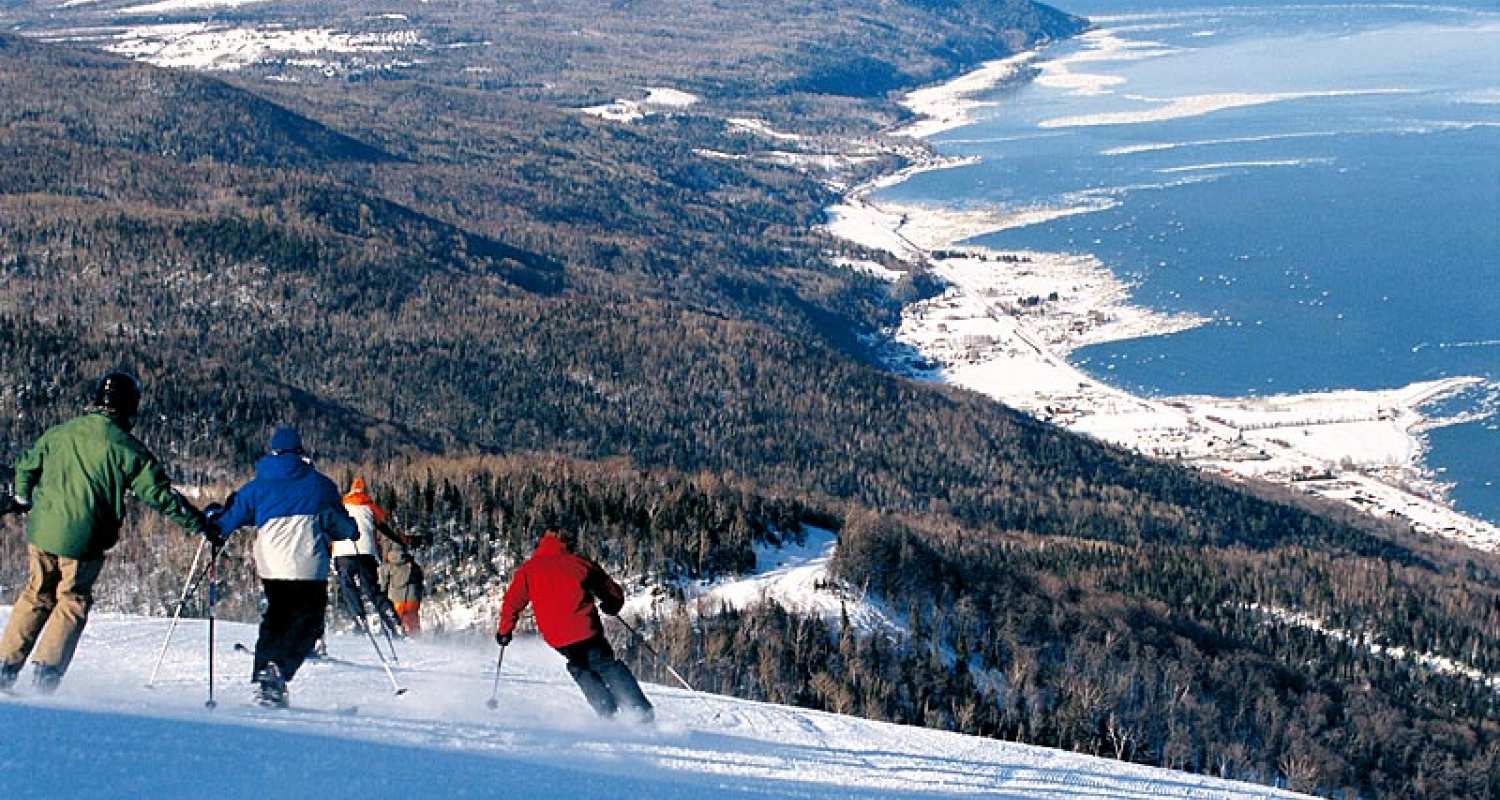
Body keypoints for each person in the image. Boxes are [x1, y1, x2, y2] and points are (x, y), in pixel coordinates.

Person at [0, 372, 214, 694]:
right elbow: (160, 495)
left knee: (36, 593)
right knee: (72, 600)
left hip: (42, 531)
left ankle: (5, 666)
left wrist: (22, 498)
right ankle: (46, 674)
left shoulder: (61, 433)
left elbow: (26, 467)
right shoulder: (127, 449)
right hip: (83, 538)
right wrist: (200, 524)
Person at [211, 427, 355, 708]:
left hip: (271, 565)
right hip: (309, 566)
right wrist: (349, 530)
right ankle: (279, 671)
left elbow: (227, 522)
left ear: (272, 452)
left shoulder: (256, 487)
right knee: (310, 624)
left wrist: (214, 518)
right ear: (301, 452)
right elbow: (344, 528)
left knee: (276, 619)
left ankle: (265, 675)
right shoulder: (320, 485)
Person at [496, 529, 653, 722]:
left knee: (579, 666)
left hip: (557, 637)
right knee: (606, 665)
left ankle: (607, 713)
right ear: (566, 542)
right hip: (585, 630)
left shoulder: (528, 570)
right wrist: (611, 605)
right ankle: (639, 711)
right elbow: (610, 591)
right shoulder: (578, 563)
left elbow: (512, 602)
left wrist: (504, 631)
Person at [335, 478, 405, 639]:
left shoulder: (341, 506)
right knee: (372, 589)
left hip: (343, 552)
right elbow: (385, 526)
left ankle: (359, 619)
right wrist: (401, 540)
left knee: (348, 586)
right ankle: (393, 622)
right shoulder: (370, 506)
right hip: (366, 552)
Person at [381, 528, 425, 636]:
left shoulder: (387, 565)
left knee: (395, 627)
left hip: (395, 599)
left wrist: (382, 594)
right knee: (413, 628)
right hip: (412, 598)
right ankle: (418, 644)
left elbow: (382, 584)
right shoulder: (412, 563)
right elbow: (419, 580)